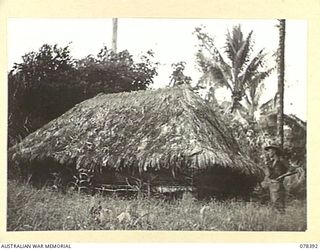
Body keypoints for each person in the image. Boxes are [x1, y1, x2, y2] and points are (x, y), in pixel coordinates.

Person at [263, 144, 297, 213]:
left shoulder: (281, 160)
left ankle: (282, 219)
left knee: (279, 204)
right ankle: (277, 221)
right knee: (274, 204)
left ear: (274, 151)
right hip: (272, 184)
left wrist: (282, 176)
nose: (268, 153)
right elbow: (269, 174)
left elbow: (293, 169)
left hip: (279, 184)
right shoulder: (271, 162)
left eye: (269, 151)